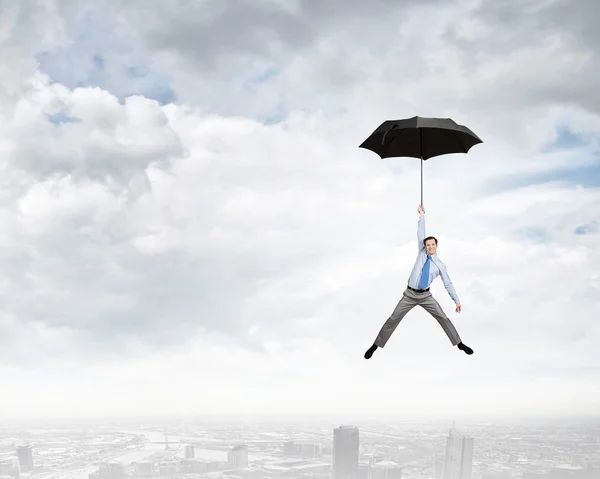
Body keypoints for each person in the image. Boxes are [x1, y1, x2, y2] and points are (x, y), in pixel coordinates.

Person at [364, 205, 473, 359]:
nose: (430, 247)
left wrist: (456, 300)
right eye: (427, 245)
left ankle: (459, 344)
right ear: (425, 246)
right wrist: (421, 215)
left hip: (426, 296)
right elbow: (421, 232)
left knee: (443, 317)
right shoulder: (421, 253)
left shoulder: (440, 265)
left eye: (433, 245)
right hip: (409, 295)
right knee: (393, 318)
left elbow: (448, 284)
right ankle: (375, 346)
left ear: (436, 245)